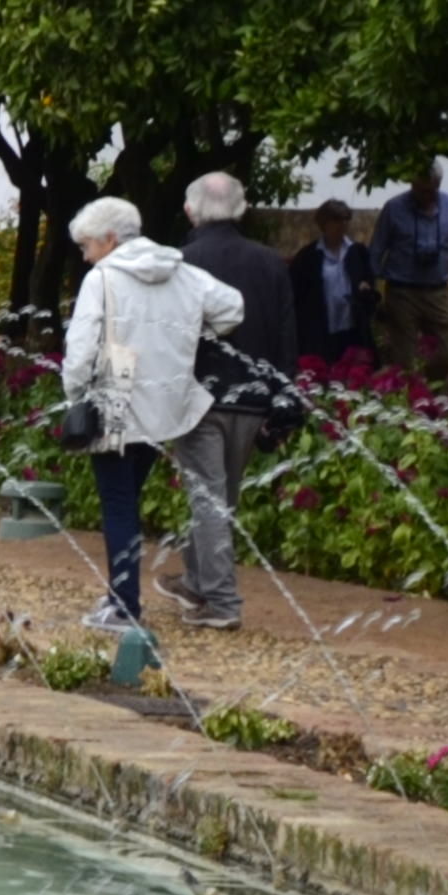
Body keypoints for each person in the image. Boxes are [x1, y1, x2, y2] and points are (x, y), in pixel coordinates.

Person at [59, 193, 242, 636]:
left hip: (115, 404)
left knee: (119, 505)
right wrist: (195, 332)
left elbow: (80, 351)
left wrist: (74, 396)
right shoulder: (181, 271)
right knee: (128, 499)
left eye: (87, 245)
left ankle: (125, 606)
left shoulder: (103, 279)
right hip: (167, 404)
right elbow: (232, 307)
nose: (85, 256)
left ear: (109, 239)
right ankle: (119, 596)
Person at [171, 172, 298, 630]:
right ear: (241, 209)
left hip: (200, 397)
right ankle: (195, 581)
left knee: (209, 497)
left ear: (191, 211)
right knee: (220, 496)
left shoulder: (183, 262)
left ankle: (222, 602)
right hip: (253, 398)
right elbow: (286, 334)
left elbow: (172, 336)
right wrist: (283, 398)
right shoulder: (270, 262)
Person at [369, 165, 448, 377]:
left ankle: (437, 391)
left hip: (438, 291)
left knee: (445, 354)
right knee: (404, 358)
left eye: (431, 190)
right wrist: (374, 290)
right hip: (402, 292)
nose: (426, 195)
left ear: (438, 185)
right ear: (412, 185)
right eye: (421, 190)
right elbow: (376, 251)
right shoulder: (394, 208)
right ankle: (406, 392)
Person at [283, 196, 378, 371]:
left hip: (352, 327)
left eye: (345, 220)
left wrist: (365, 289)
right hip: (321, 329)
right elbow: (296, 292)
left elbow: (369, 282)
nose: (342, 225)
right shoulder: (309, 256)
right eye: (336, 220)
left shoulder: (357, 252)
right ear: (324, 224)